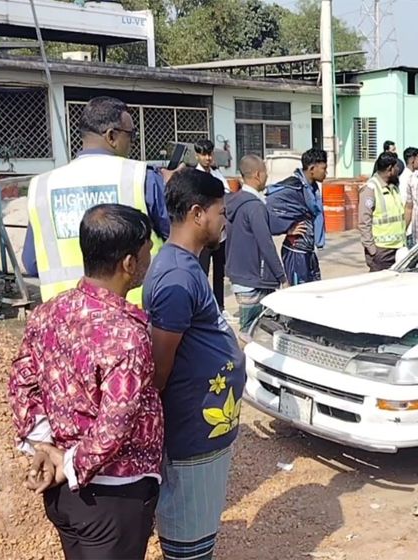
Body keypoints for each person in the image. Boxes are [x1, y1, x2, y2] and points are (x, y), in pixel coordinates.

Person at [9, 204, 163, 560]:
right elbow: (116, 422)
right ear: (128, 264)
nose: (151, 257)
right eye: (147, 251)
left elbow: (22, 380)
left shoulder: (49, 311)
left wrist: (43, 444)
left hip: (64, 494)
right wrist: (70, 464)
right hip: (111, 497)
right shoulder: (126, 335)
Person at [144, 169, 246, 560]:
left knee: (199, 530)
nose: (224, 221)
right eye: (222, 212)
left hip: (205, 428)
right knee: (189, 538)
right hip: (191, 433)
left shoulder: (187, 267)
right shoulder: (176, 276)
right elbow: (159, 365)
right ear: (198, 213)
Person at [21, 95, 171, 306]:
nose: (132, 142)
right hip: (137, 317)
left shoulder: (42, 186)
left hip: (67, 322)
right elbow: (176, 241)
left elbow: (32, 262)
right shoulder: (141, 178)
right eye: (132, 135)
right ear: (111, 136)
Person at [225, 155, 292, 332]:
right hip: (254, 278)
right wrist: (282, 278)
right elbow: (266, 244)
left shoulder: (235, 201)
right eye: (265, 172)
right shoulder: (254, 207)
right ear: (257, 174)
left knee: (248, 328)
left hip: (239, 275)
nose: (267, 177)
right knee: (251, 332)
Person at [267, 148, 328, 285]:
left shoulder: (312, 189)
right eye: (324, 168)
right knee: (298, 294)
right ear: (312, 168)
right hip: (295, 252)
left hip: (308, 251)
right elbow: (269, 205)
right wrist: (286, 228)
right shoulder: (294, 187)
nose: (326, 172)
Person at [195, 139, 230, 313]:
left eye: (209, 154)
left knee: (219, 272)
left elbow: (227, 194)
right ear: (197, 155)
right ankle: (204, 308)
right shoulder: (193, 177)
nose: (207, 158)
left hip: (220, 231)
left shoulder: (217, 175)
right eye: (203, 154)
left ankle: (220, 307)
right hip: (204, 232)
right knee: (202, 270)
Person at [359, 152, 406, 272]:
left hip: (398, 248)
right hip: (381, 251)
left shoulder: (393, 187)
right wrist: (372, 250)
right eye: (396, 167)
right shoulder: (370, 189)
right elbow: (364, 222)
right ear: (390, 168)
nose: (398, 170)